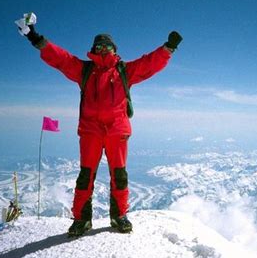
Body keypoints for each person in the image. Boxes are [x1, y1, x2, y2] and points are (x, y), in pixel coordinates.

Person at [20, 18, 182, 236]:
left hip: (117, 130)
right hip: (91, 131)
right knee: (86, 175)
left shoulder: (125, 70)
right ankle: (81, 220)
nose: (103, 49)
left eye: (107, 46)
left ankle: (119, 216)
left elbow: (149, 64)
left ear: (114, 49)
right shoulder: (84, 70)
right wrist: (35, 38)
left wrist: (168, 48)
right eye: (99, 46)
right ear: (93, 49)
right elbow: (61, 59)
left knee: (120, 175)